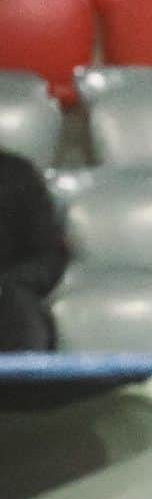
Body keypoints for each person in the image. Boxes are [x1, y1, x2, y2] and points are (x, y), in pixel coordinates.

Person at [0, 148, 68, 352]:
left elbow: (49, 256)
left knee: (20, 311)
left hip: (8, 302)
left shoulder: (16, 174)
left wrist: (6, 285)